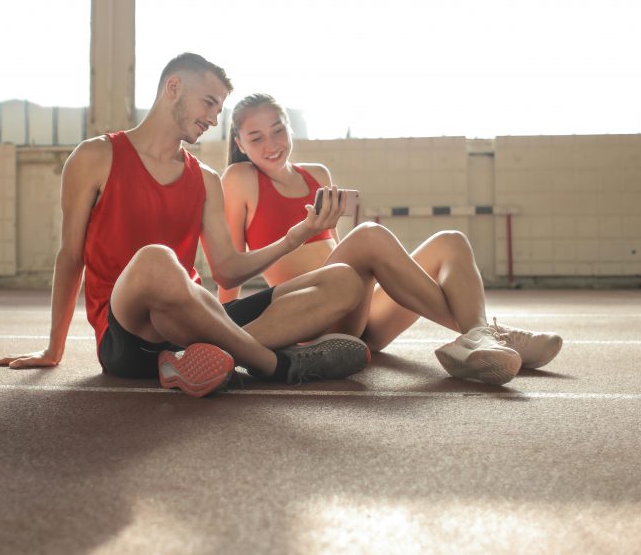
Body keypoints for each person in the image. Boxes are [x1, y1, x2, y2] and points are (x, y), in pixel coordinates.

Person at [0, 54, 371, 398]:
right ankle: (274, 365)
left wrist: (295, 238)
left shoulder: (205, 178)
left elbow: (227, 270)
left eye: (219, 109)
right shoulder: (94, 156)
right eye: (209, 102)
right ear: (173, 87)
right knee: (156, 260)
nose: (214, 119)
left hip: (194, 322)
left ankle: (201, 360)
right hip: (130, 337)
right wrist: (53, 348)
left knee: (343, 280)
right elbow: (71, 255)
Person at [219, 93, 563, 386]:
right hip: (316, 316)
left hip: (362, 315)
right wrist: (221, 319)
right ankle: (490, 333)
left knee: (451, 241)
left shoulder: (317, 174)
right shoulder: (240, 177)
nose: (271, 144)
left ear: (289, 128)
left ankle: (479, 336)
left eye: (278, 130)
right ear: (239, 144)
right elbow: (229, 269)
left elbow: (334, 250)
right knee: (368, 235)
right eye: (256, 137)